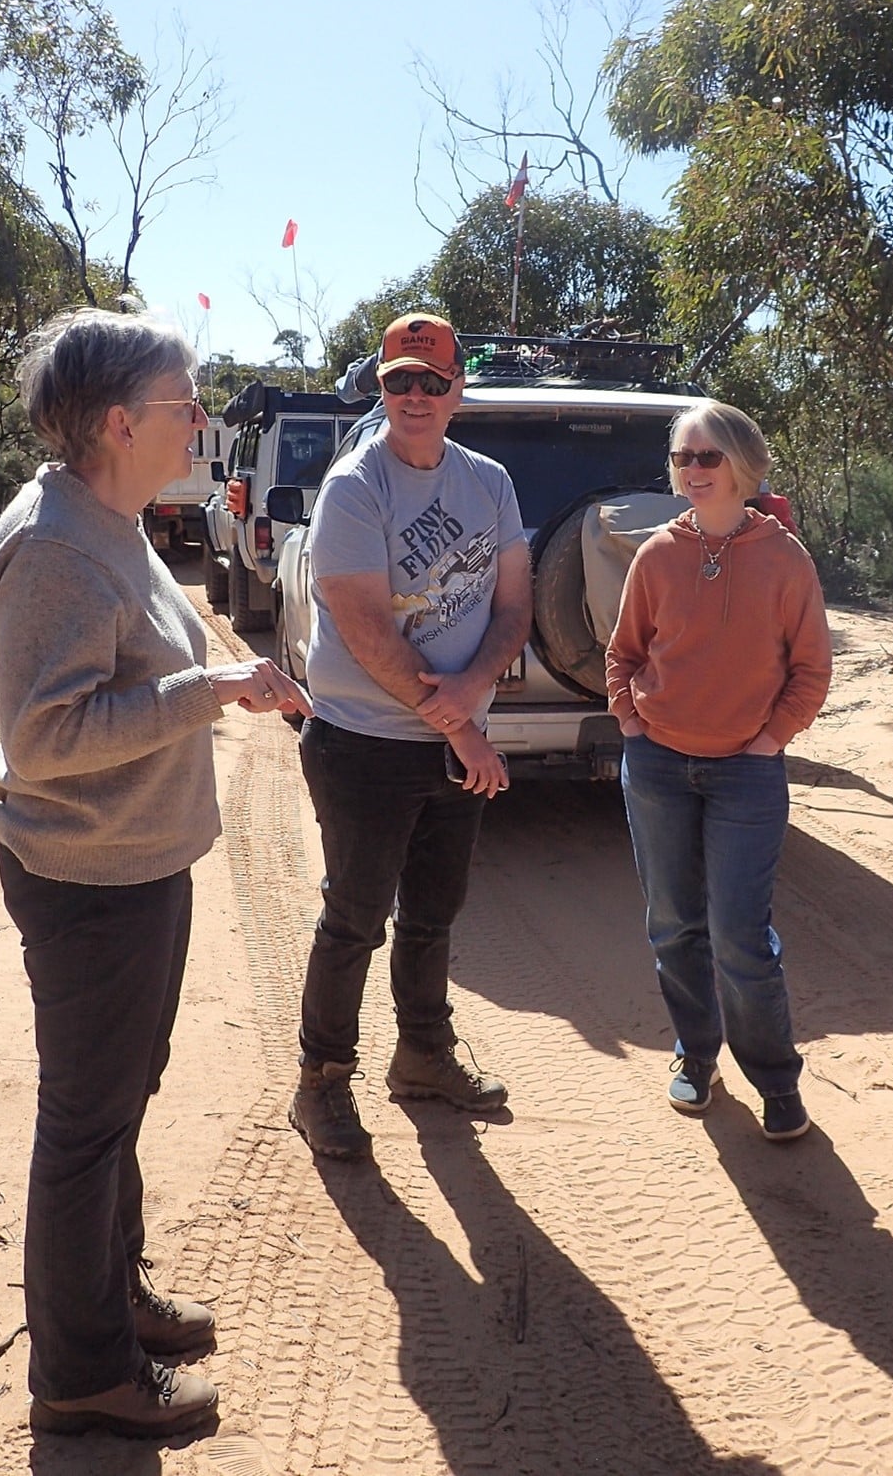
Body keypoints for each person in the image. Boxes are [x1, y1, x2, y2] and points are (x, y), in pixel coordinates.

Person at [0, 307, 312, 1438]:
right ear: (122, 422)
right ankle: (83, 1373)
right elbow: (44, 737)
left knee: (117, 1105)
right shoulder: (56, 546)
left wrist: (221, 679)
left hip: (132, 865)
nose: (199, 419)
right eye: (184, 401)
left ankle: (111, 1299)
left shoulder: (107, 519)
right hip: (90, 881)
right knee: (86, 1128)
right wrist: (207, 692)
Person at [287, 312, 532, 1161]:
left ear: (458, 388)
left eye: (432, 380)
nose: (417, 395)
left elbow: (514, 606)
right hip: (363, 744)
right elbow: (366, 633)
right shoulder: (355, 488)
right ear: (381, 390)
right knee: (354, 919)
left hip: (453, 739)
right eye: (400, 381)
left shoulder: (490, 481)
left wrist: (468, 693)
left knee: (433, 914)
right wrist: (465, 728)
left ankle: (423, 1055)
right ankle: (320, 1082)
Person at [605, 400, 833, 1141]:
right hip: (657, 765)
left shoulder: (784, 558)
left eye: (708, 456)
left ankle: (775, 1079)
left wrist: (772, 739)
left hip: (746, 773)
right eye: (683, 457)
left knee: (740, 936)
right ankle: (697, 1053)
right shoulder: (657, 553)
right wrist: (632, 721)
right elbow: (623, 653)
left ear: (742, 463)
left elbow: (812, 668)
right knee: (673, 926)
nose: (693, 469)